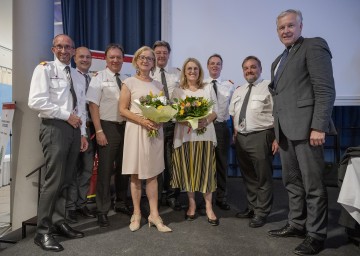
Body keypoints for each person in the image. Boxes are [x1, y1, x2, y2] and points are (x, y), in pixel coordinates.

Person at [267, 9, 336, 255]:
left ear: (300, 26)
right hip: (285, 133)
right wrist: (277, 133)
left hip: (308, 131)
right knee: (292, 182)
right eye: (281, 28)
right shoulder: (279, 60)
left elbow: (325, 90)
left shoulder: (314, 46)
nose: (285, 30)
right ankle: (297, 224)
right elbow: (282, 99)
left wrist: (319, 126)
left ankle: (316, 234)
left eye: (290, 26)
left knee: (313, 185)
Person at [28, 34, 88, 252]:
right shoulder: (44, 69)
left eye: (68, 47)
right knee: (53, 180)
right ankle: (42, 232)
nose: (64, 50)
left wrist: (81, 133)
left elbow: (80, 106)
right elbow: (36, 101)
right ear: (53, 49)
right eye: (60, 46)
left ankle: (59, 221)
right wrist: (65, 116)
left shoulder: (77, 75)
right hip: (54, 127)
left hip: (73, 129)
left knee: (67, 178)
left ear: (73, 51)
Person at [119, 46, 172, 233]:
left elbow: (163, 110)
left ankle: (154, 214)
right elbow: (122, 109)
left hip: (154, 133)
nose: (145, 60)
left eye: (150, 58)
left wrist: (159, 121)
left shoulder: (158, 86)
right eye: (142, 57)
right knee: (135, 174)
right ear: (136, 60)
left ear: (154, 63)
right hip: (136, 130)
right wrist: (142, 120)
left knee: (152, 175)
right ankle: (136, 213)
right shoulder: (129, 82)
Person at [229, 56, 278, 228]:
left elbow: (278, 113)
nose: (249, 70)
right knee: (248, 176)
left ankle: (262, 212)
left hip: (261, 136)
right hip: (241, 138)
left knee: (262, 177)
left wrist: (278, 138)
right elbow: (233, 113)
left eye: (253, 67)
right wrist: (235, 131)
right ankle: (252, 207)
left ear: (260, 69)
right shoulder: (239, 90)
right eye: (246, 68)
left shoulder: (269, 87)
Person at [86, 43, 130, 228]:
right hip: (107, 126)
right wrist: (99, 130)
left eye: (119, 57)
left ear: (122, 59)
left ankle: (120, 202)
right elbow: (93, 105)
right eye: (112, 57)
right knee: (105, 170)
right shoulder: (98, 78)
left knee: (124, 168)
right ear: (106, 59)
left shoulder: (128, 78)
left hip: (126, 127)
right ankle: (102, 210)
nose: (115, 60)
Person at [171, 57, 219, 226]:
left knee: (206, 171)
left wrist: (204, 121)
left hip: (205, 135)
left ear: (200, 71)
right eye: (189, 68)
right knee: (190, 171)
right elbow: (175, 115)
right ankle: (191, 204)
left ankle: (208, 207)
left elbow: (215, 111)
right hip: (186, 136)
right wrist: (189, 121)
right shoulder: (178, 91)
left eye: (195, 69)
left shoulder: (207, 88)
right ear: (184, 71)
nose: (192, 71)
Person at [66, 46, 96, 223]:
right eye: (81, 57)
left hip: (90, 129)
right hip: (73, 128)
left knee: (86, 169)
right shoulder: (70, 76)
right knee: (72, 170)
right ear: (74, 58)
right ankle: (70, 207)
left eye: (88, 57)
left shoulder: (94, 79)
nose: (85, 60)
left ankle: (81, 203)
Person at [151, 40, 181, 211]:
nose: (161, 55)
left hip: (174, 123)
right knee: (155, 162)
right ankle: (157, 195)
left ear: (169, 55)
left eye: (164, 52)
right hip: (155, 124)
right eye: (158, 53)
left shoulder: (176, 74)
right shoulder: (147, 73)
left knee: (172, 163)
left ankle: (172, 196)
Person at [204, 53, 235, 210]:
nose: (215, 66)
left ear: (221, 66)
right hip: (206, 128)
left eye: (218, 64)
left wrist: (235, 130)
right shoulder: (202, 85)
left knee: (222, 164)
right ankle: (206, 198)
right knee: (206, 164)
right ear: (207, 66)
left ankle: (221, 197)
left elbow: (234, 109)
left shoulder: (229, 85)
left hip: (222, 127)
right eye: (212, 63)